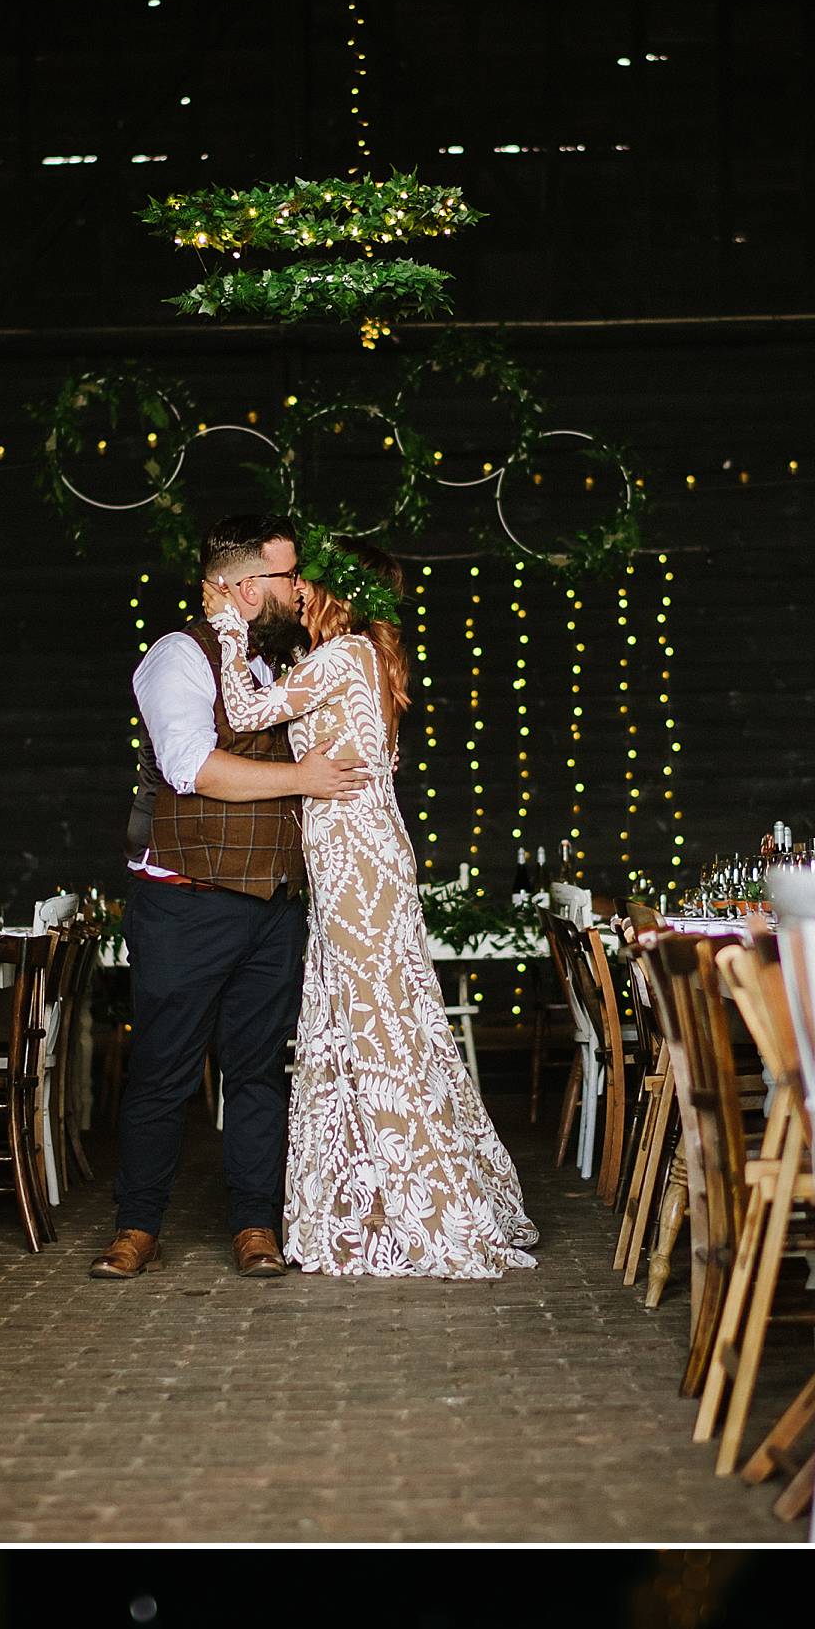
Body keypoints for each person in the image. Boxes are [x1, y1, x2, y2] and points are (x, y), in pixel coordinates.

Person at [212, 569, 536, 1281]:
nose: (292, 598)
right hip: (361, 855)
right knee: (374, 1018)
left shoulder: (338, 657)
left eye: (302, 589)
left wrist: (229, 629)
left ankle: (424, 1204)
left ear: (332, 597)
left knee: (376, 1020)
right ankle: (376, 1198)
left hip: (354, 857)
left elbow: (241, 711)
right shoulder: (366, 660)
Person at [103, 527, 368, 1285]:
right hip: (186, 904)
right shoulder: (178, 656)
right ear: (249, 586)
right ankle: (137, 1225)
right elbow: (192, 769)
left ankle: (256, 1224)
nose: (300, 589)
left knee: (258, 1073)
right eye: (289, 577)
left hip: (272, 904)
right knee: (164, 1070)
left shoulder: (271, 666)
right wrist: (306, 781)